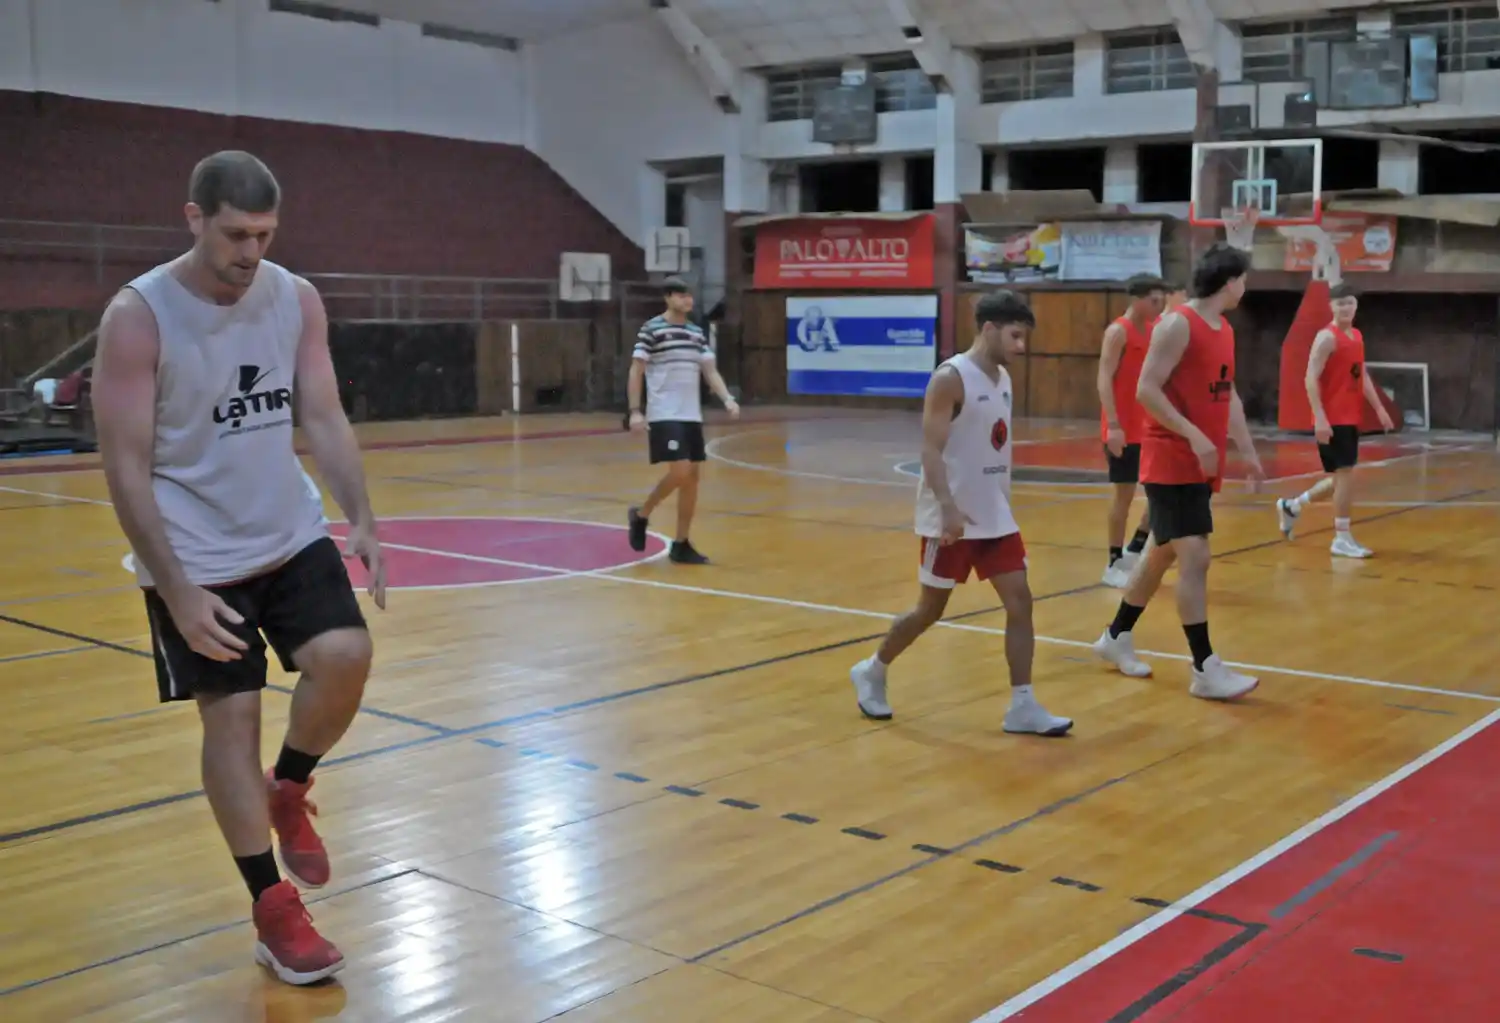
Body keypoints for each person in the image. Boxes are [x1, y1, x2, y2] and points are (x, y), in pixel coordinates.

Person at [92, 151, 385, 985]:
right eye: (234, 234)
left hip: (285, 529)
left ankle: (288, 786)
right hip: (193, 550)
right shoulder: (139, 316)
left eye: (264, 234)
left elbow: (320, 411)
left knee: (348, 657)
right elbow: (123, 464)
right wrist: (176, 590)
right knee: (233, 719)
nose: (250, 252)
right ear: (193, 217)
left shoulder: (294, 298)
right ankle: (271, 906)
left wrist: (360, 511)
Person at [849, 290, 1073, 736]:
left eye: (1024, 337)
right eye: (1014, 336)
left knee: (1021, 602)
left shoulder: (1003, 379)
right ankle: (873, 669)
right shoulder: (950, 378)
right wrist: (948, 508)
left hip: (995, 517)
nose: (1021, 347)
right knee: (929, 610)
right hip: (949, 520)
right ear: (988, 329)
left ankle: (1022, 705)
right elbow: (930, 449)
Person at [1091, 243, 1265, 701]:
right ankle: (1205, 667)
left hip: (1199, 462)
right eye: (1244, 278)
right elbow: (1147, 390)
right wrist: (1194, 435)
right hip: (1169, 458)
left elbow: (1227, 397)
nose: (1245, 286)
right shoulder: (1177, 324)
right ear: (1230, 282)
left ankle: (1115, 637)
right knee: (1196, 556)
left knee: (1161, 553)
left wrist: (1247, 449)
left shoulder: (1223, 329)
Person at [1275, 283, 1394, 556]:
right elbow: (1309, 377)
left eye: (1350, 302)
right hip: (1333, 417)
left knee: (1342, 478)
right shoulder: (1326, 338)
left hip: (1350, 416)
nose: (1346, 307)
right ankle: (1341, 538)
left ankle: (1292, 506)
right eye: (1340, 303)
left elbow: (1360, 375)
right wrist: (1319, 417)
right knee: (1345, 476)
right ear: (1331, 306)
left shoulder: (1356, 336)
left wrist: (1379, 408)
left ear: (1356, 305)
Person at [627, 278, 739, 564]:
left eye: (690, 295)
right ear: (667, 298)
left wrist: (726, 398)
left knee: (691, 479)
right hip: (665, 412)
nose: (687, 299)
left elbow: (710, 371)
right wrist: (635, 410)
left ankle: (681, 543)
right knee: (680, 471)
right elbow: (636, 370)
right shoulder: (652, 329)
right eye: (681, 295)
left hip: (691, 415)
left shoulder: (695, 332)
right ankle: (641, 514)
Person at [1098, 275, 1167, 587]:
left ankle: (1136, 546)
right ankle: (1113, 561)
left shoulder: (1154, 331)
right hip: (1122, 429)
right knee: (1123, 496)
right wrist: (1113, 425)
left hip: (1149, 427)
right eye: (1154, 300)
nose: (1160, 305)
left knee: (1161, 491)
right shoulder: (1118, 332)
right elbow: (1103, 379)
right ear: (1136, 299)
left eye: (1162, 299)